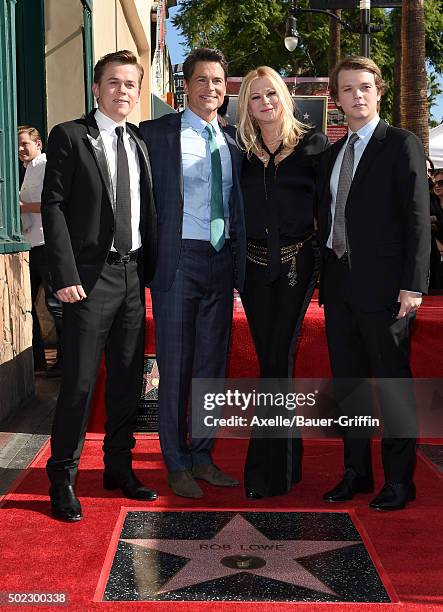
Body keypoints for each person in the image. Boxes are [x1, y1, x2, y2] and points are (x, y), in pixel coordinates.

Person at [41, 50, 158, 522]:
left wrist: (147, 273)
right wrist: (65, 274)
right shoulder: (70, 136)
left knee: (128, 381)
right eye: (113, 82)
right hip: (88, 281)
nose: (123, 91)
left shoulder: (139, 141)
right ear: (96, 88)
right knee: (80, 384)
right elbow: (53, 206)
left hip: (133, 276)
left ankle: (118, 468)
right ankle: (61, 478)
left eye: (131, 84)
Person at [317, 56, 430, 511]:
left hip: (387, 292)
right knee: (351, 387)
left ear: (379, 91)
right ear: (337, 98)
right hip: (340, 288)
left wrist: (413, 285)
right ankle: (356, 472)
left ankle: (400, 481)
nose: (357, 95)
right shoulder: (332, 153)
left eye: (365, 86)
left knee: (393, 388)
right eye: (347, 89)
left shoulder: (401, 144)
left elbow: (418, 221)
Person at [139, 48, 246, 499]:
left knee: (210, 368)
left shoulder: (236, 139)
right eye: (202, 80)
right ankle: (176, 462)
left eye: (218, 81)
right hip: (176, 261)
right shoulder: (154, 134)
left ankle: (201, 456)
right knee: (176, 366)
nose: (211, 89)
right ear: (186, 85)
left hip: (221, 261)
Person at [236, 66, 328, 499]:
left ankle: (267, 471)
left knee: (276, 360)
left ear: (284, 97)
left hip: (296, 265)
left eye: (271, 94)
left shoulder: (314, 145)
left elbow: (330, 213)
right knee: (272, 361)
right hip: (253, 270)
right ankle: (286, 467)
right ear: (247, 107)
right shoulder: (242, 151)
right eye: (255, 98)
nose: (265, 103)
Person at [18, 126, 63, 375]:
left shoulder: (45, 165)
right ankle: (38, 362)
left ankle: (66, 363)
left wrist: (21, 207)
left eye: (25, 144)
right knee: (30, 305)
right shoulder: (27, 171)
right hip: (32, 244)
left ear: (38, 145)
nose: (21, 149)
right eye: (18, 145)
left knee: (56, 304)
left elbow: (51, 205)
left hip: (47, 244)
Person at [430, 167, 443, 290]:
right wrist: (436, 242)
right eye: (435, 182)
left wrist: (436, 223)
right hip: (435, 255)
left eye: (441, 183)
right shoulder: (429, 202)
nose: (437, 186)